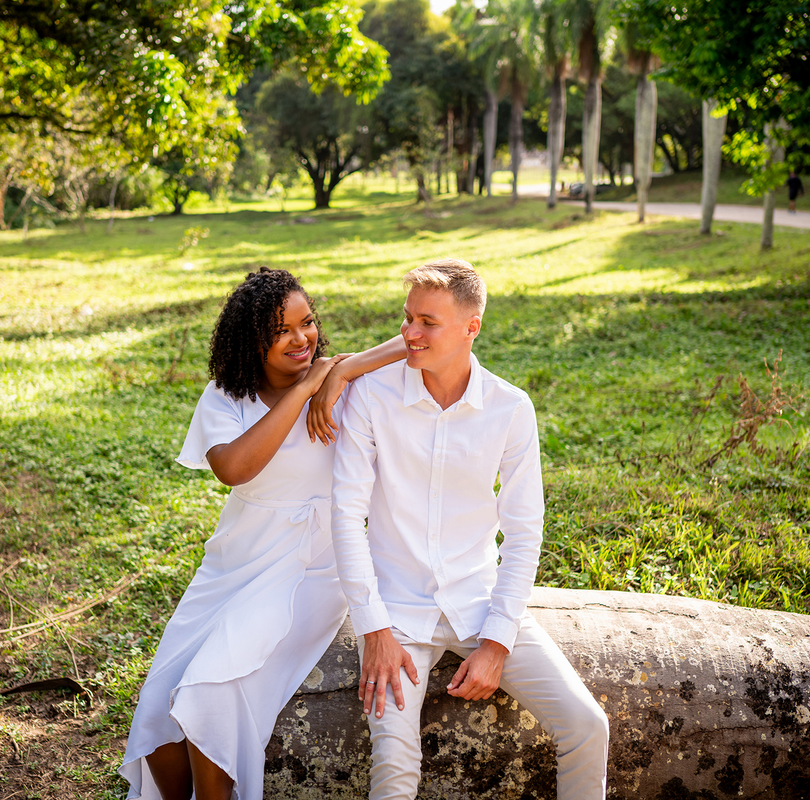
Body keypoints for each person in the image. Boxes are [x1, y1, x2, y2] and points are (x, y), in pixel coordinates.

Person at [119, 267, 405, 800]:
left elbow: (409, 340)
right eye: (282, 331)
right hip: (235, 559)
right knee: (157, 703)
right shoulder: (225, 396)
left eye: (308, 323)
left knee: (211, 688)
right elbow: (234, 467)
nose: (302, 338)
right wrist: (306, 389)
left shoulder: (338, 380)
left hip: (312, 564)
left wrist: (333, 373)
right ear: (252, 342)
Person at [330, 258, 610, 800]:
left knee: (587, 727)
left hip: (479, 602)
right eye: (407, 317)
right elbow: (346, 516)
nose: (409, 333)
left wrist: (497, 642)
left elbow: (525, 533)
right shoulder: (372, 396)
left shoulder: (509, 408)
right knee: (394, 772)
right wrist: (375, 631)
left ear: (471, 327)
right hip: (396, 614)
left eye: (427, 322)